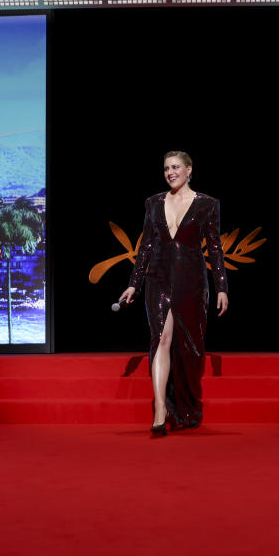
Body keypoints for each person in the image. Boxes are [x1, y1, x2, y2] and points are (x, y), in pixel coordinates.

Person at [118, 151, 229, 436]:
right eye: (166, 168)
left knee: (190, 349)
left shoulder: (207, 204)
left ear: (189, 170)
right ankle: (159, 411)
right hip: (158, 278)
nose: (170, 172)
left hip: (192, 282)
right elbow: (145, 247)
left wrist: (222, 287)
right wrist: (134, 283)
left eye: (176, 167)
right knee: (161, 338)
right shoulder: (153, 203)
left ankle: (186, 405)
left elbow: (215, 249)